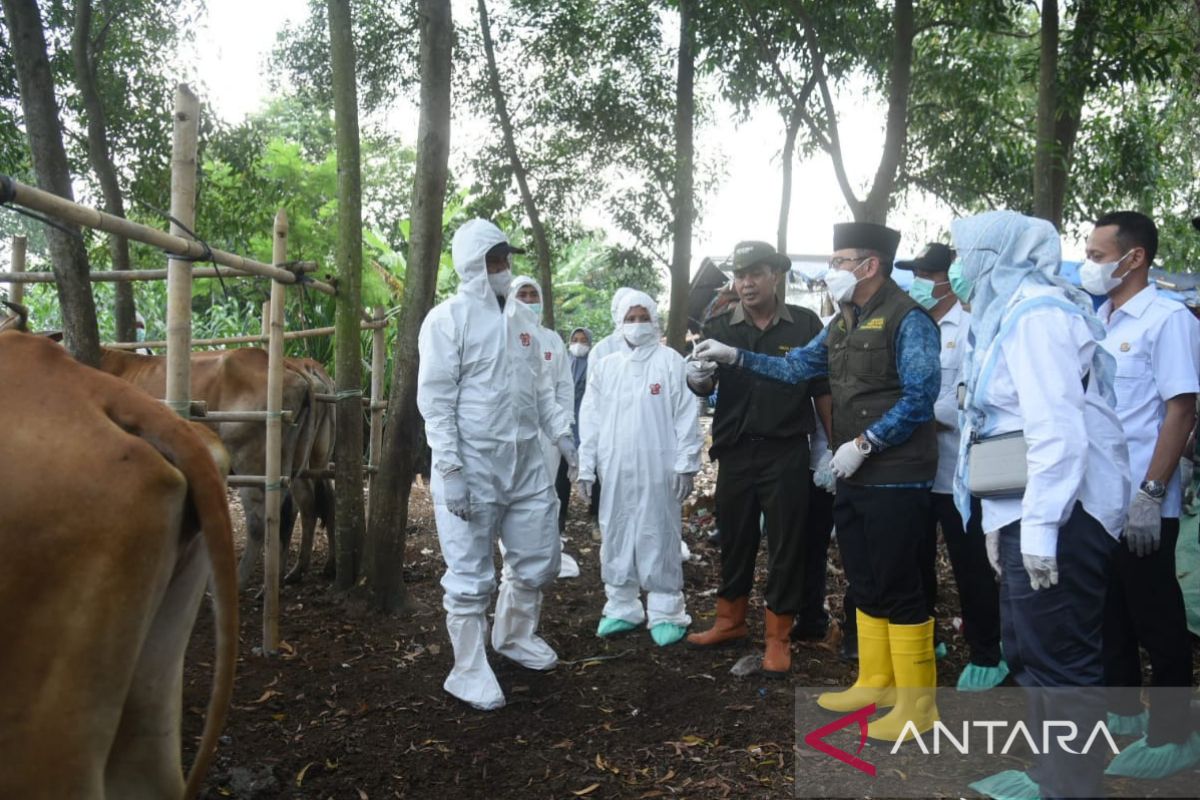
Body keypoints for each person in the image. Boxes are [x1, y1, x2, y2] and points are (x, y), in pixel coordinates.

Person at [695, 222, 942, 742]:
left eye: (840, 262)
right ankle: (875, 681)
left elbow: (921, 397)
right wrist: (736, 357)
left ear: (869, 265)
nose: (832, 271)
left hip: (895, 474)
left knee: (899, 583)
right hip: (855, 473)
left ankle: (918, 705)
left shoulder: (908, 319)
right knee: (866, 581)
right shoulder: (841, 322)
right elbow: (795, 370)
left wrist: (866, 443)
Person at [947, 211, 1130, 800]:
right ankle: (1051, 777)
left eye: (965, 252)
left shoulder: (1038, 316)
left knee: (1064, 664)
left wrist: (1040, 530)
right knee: (1030, 653)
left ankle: (1074, 788)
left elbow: (1059, 431)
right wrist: (1004, 528)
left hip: (1061, 515)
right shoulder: (1006, 317)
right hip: (1025, 511)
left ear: (996, 256)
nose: (957, 266)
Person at [416, 219, 577, 711]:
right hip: (472, 465)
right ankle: (467, 668)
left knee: (537, 558)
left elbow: (542, 390)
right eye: (494, 260)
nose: (503, 270)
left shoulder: (524, 323)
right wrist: (450, 470)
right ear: (471, 263)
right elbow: (437, 401)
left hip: (527, 463)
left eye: (506, 260)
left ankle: (512, 636)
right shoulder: (448, 320)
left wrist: (565, 438)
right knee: (469, 577)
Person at [1081, 211, 1200, 778]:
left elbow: (1180, 408)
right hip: (1100, 500)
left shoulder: (1167, 319)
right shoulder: (1099, 318)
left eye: (1099, 255)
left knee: (1157, 619)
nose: (1090, 263)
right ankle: (1123, 714)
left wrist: (1152, 492)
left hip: (1143, 499)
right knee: (1110, 616)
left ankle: (1175, 731)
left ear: (1135, 259)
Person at [684, 241, 831, 678]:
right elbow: (705, 386)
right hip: (735, 447)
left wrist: (832, 445)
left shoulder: (804, 324)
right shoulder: (719, 325)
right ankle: (729, 621)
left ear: (776, 276)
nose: (745, 283)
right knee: (735, 538)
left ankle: (777, 637)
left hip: (785, 448)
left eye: (755, 274)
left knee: (786, 543)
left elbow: (820, 386)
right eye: (740, 275)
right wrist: (695, 381)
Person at [897, 242, 1007, 692]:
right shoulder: (908, 324)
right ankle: (928, 638)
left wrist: (916, 410)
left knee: (970, 566)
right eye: (915, 272)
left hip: (958, 472)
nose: (918, 281)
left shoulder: (974, 326)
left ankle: (988, 652)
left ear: (947, 279)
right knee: (914, 559)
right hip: (911, 467)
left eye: (925, 273)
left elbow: (974, 401)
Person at [577, 290, 702, 646]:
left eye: (642, 317)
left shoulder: (671, 362)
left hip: (658, 467)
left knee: (659, 533)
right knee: (615, 531)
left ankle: (666, 610)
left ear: (654, 319)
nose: (636, 325)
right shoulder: (606, 366)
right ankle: (620, 605)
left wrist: (686, 463)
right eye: (629, 319)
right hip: (614, 467)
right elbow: (590, 419)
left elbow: (686, 415)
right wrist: (587, 466)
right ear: (619, 323)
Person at [508, 276, 580, 579]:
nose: (527, 300)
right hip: (514, 432)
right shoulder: (503, 334)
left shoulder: (551, 340)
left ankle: (544, 549)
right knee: (513, 492)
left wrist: (564, 431)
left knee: (546, 489)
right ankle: (512, 555)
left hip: (550, 430)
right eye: (521, 295)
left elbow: (563, 387)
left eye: (532, 295)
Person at [580, 287, 636, 542]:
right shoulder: (602, 350)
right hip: (610, 429)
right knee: (607, 482)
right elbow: (594, 401)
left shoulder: (657, 352)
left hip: (641, 431)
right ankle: (600, 521)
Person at [556, 327, 598, 532]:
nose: (579, 343)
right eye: (575, 339)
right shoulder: (563, 363)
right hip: (565, 422)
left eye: (583, 340)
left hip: (587, 422)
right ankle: (561, 513)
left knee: (594, 465)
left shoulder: (595, 364)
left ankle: (595, 512)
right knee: (562, 469)